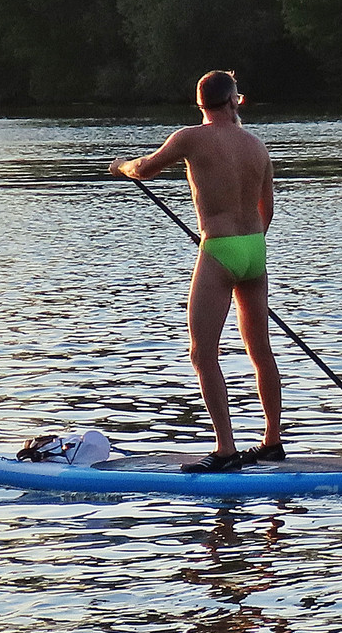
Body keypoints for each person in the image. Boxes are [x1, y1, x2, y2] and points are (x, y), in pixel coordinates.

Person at [110, 71, 284, 472]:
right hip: (255, 251)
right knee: (261, 351)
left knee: (203, 353)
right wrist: (244, 246)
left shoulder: (190, 137)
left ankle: (225, 451)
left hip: (221, 250)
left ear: (201, 104)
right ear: (234, 101)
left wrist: (121, 166)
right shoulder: (257, 146)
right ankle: (272, 441)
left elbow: (145, 168)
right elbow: (267, 211)